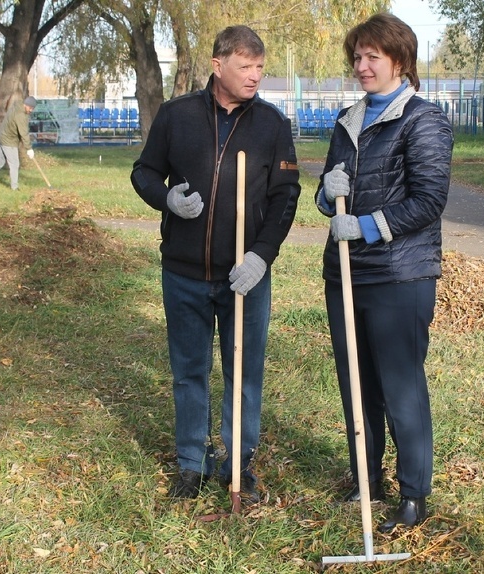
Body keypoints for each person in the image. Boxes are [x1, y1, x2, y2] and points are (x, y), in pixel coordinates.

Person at [130, 25, 300, 506]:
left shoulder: (270, 124)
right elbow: (143, 171)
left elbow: (286, 197)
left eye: (260, 67)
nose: (255, 76)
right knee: (189, 370)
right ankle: (190, 462)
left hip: (243, 277)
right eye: (245, 66)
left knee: (244, 373)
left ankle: (238, 464)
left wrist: (261, 256)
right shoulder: (176, 115)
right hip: (183, 273)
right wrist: (166, 199)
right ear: (217, 64)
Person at [315, 13, 453, 533]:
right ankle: (365, 477)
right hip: (346, 273)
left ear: (400, 61)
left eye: (373, 56)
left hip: (400, 275)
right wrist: (327, 197)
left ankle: (414, 493)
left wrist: (368, 227)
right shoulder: (347, 120)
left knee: (400, 386)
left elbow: (429, 200)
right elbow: (329, 197)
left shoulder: (424, 119)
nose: (362, 66)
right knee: (356, 383)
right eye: (357, 56)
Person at [0, 96, 36, 190]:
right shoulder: (21, 115)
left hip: (1, 137)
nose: (31, 110)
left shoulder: (17, 105)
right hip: (9, 141)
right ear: (26, 105)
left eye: (32, 109)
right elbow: (23, 133)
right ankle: (14, 187)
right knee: (14, 164)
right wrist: (29, 149)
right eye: (30, 108)